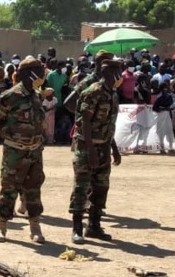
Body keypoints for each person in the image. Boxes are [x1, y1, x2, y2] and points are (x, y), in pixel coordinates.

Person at [0, 57, 48, 243]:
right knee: (9, 189)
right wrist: (13, 136)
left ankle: (35, 227)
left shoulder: (36, 95)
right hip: (15, 151)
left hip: (35, 151)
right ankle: (1, 226)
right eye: (39, 72)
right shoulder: (10, 96)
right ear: (29, 74)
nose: (42, 75)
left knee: (33, 188)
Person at [69, 59, 124, 244]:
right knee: (82, 187)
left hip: (104, 146)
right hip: (87, 146)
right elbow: (84, 122)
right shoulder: (92, 92)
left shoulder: (113, 94)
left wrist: (114, 149)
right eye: (118, 72)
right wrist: (91, 150)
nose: (120, 76)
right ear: (108, 73)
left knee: (101, 187)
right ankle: (77, 228)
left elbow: (109, 124)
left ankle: (94, 226)